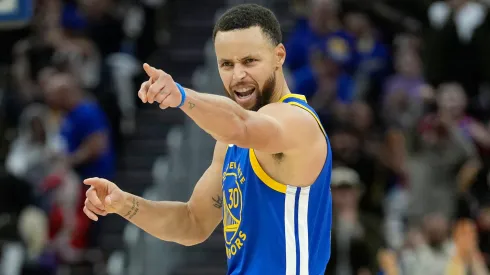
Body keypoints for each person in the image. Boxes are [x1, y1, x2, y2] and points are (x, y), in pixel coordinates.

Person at [83, 4, 332, 274]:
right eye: (227, 64)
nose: (238, 75)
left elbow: (240, 124)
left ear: (278, 56)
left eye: (250, 61)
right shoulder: (230, 143)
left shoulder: (297, 122)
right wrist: (124, 204)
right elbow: (193, 223)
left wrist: (181, 96)